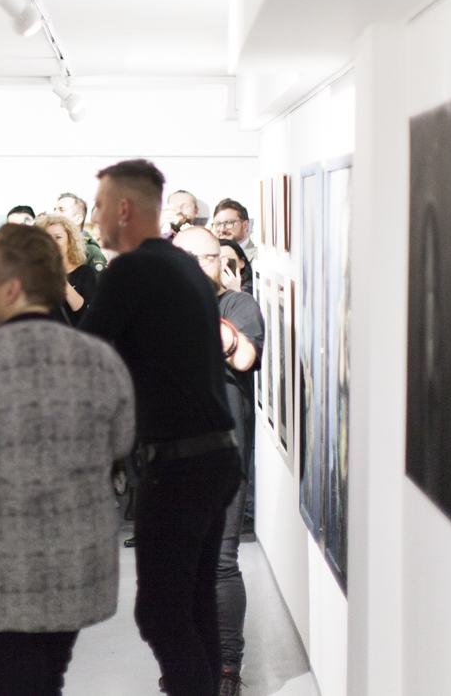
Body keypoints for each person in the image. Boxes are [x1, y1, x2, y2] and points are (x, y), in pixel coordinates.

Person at [0, 224, 135, 696]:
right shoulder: (98, 359)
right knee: (47, 677)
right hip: (73, 558)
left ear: (12, 288)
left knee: (3, 681)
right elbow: (122, 440)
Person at [79, 159, 241, 696]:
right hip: (212, 459)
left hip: (179, 466)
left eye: (100, 206)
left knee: (162, 612)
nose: (95, 217)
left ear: (124, 208)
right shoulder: (181, 267)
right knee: (194, 605)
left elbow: (82, 357)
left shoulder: (132, 271)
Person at [172, 227, 263, 696]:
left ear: (220, 262)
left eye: (203, 258)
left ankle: (227, 667)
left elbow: (244, 358)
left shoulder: (237, 305)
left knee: (221, 563)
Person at [33, 212, 97, 325]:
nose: (52, 243)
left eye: (58, 237)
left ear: (70, 241)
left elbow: (86, 314)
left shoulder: (84, 273)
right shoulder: (36, 274)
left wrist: (60, 279)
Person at [55, 192, 108, 273]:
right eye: (55, 209)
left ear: (78, 219)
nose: (55, 214)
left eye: (62, 210)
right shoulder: (53, 247)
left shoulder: (90, 252)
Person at [211, 199, 256, 263]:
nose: (222, 229)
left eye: (229, 222)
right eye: (218, 224)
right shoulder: (209, 258)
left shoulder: (260, 257)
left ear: (245, 225)